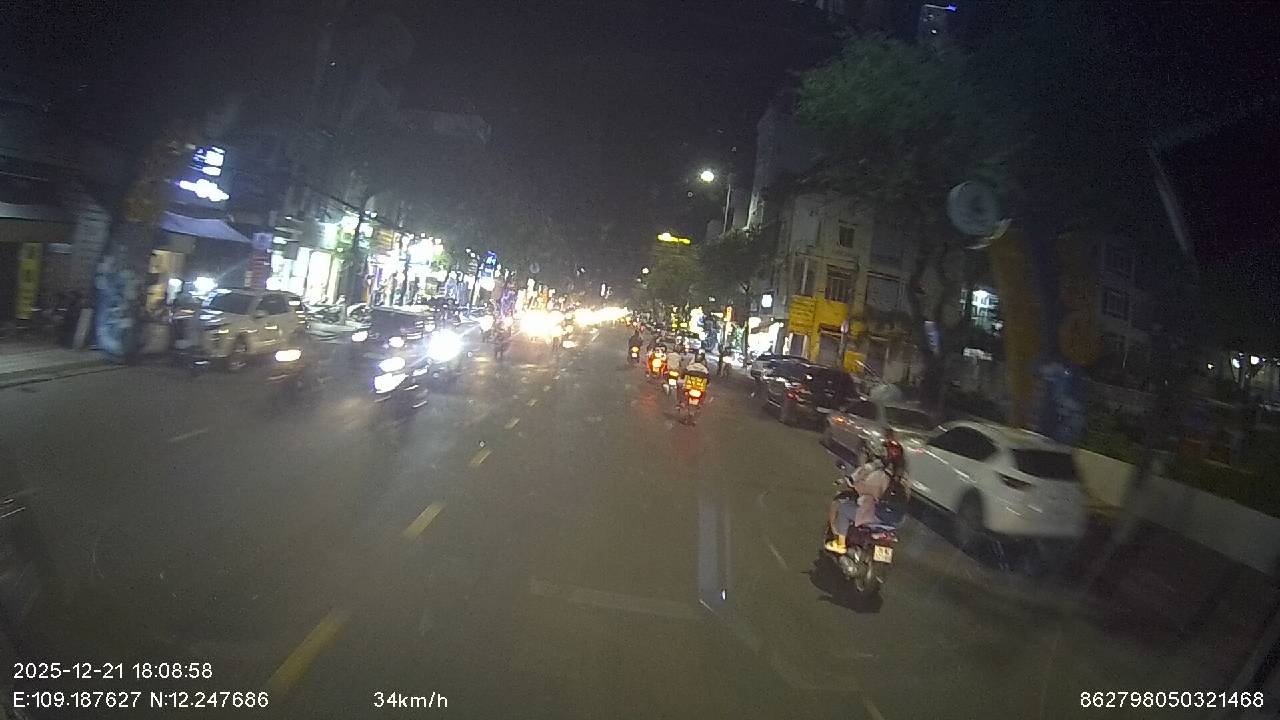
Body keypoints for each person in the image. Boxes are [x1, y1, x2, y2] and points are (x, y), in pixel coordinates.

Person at [824, 433, 905, 554]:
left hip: (873, 514)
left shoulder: (877, 474)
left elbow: (863, 489)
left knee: (843, 508)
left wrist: (853, 482)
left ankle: (840, 543)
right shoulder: (900, 477)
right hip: (894, 521)